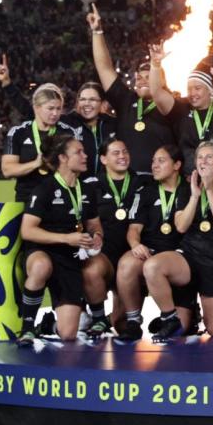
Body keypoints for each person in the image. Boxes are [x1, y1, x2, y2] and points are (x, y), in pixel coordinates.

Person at [17, 134, 109, 343]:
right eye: (79, 152)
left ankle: (48, 324)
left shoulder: (85, 189)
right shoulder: (44, 189)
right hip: (42, 250)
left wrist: (97, 237)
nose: (85, 156)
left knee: (68, 334)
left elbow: (95, 225)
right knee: (41, 265)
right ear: (63, 158)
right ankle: (27, 328)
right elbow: (28, 231)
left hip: (71, 257)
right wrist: (66, 238)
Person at [145, 140, 213, 340]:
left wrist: (210, 189)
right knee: (152, 267)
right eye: (199, 157)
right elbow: (181, 226)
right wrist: (195, 196)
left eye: (209, 157)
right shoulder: (186, 189)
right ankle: (170, 317)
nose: (203, 161)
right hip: (189, 256)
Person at [88, 4, 174, 175]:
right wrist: (97, 32)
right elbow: (104, 68)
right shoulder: (126, 100)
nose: (142, 79)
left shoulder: (171, 105)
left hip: (161, 182)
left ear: (161, 80)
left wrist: (155, 65)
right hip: (128, 181)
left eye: (148, 76)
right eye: (139, 76)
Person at [117, 145, 190, 341]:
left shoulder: (190, 189)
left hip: (181, 254)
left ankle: (170, 318)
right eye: (153, 161)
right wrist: (135, 245)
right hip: (152, 251)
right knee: (126, 263)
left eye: (161, 161)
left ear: (176, 165)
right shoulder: (145, 192)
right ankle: (133, 322)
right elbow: (134, 230)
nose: (154, 165)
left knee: (188, 327)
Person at [0, 56, 111, 178]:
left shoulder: (112, 124)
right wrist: (7, 84)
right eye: (83, 99)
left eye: (93, 99)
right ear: (78, 102)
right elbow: (30, 110)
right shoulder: (68, 122)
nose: (87, 103)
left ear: (102, 103)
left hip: (91, 187)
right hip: (33, 193)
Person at [89, 138, 144, 331]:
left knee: (121, 326)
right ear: (103, 159)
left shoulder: (143, 183)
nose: (122, 156)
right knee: (91, 270)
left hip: (131, 258)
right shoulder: (91, 186)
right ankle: (95, 317)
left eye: (125, 151)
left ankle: (112, 320)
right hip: (104, 255)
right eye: (116, 153)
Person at [147, 45, 213, 172]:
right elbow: (156, 92)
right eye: (189, 89)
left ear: (209, 90)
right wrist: (156, 65)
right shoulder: (181, 107)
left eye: (197, 88)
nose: (192, 93)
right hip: (187, 178)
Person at [2, 83, 76, 202]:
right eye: (50, 108)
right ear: (36, 107)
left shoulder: (68, 133)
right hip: (27, 198)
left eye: (58, 108)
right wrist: (36, 164)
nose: (55, 113)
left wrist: (55, 165)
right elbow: (7, 170)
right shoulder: (18, 133)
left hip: (60, 198)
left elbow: (76, 168)